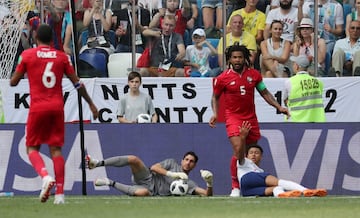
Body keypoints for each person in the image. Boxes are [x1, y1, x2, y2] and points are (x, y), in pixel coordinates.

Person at [9, 24, 99, 204]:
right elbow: (78, 84)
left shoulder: (27, 55)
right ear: (52, 40)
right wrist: (91, 103)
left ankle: (45, 176)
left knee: (32, 148)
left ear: (35, 38)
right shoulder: (62, 57)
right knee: (56, 150)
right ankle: (59, 195)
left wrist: (23, 70)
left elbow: (13, 82)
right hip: (57, 108)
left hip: (38, 108)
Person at [208, 43, 289, 197]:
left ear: (245, 58)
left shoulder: (254, 75)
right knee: (238, 149)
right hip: (233, 118)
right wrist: (215, 113)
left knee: (250, 153)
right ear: (229, 60)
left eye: (240, 57)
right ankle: (235, 186)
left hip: (251, 118)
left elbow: (265, 92)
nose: (237, 60)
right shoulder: (222, 79)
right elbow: (215, 97)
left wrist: (278, 107)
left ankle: (249, 184)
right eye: (234, 57)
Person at [237, 121, 328, 197]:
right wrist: (242, 138)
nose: (253, 155)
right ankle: (306, 190)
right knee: (279, 182)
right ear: (247, 156)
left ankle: (282, 195)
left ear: (261, 156)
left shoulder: (260, 171)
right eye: (251, 153)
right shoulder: (244, 163)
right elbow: (240, 154)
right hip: (247, 178)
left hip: (246, 191)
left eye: (256, 153)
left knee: (276, 188)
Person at [86, 151, 213, 196]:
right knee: (134, 159)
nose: (188, 163)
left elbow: (207, 194)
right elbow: (154, 167)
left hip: (150, 191)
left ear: (194, 165)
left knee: (142, 193)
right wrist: (173, 175)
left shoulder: (189, 183)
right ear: (182, 160)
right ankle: (97, 163)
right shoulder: (171, 163)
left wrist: (209, 183)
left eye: (191, 161)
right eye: (186, 159)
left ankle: (109, 182)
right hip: (148, 177)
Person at [283, 55, 326, 122]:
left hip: (295, 121)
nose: (293, 66)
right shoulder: (318, 82)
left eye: (294, 63)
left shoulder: (289, 82)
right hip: (316, 121)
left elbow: (285, 101)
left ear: (297, 66)